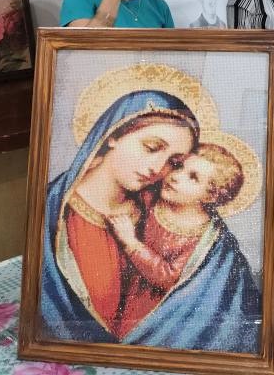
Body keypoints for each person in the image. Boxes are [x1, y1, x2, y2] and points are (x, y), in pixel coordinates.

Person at [40, 90, 200, 343]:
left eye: (174, 162)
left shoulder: (159, 212)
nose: (157, 168)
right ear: (114, 134)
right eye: (151, 147)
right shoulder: (55, 210)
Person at [107, 143, 260, 353]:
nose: (176, 177)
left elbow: (169, 277)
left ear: (210, 196)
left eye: (193, 177)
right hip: (123, 285)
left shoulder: (203, 237)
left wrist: (131, 243)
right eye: (179, 166)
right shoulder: (151, 199)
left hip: (159, 308)